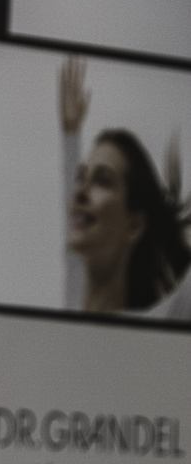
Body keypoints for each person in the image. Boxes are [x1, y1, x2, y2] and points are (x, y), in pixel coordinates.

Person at [60, 56, 191, 321]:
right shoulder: (73, 299)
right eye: (82, 177)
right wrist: (70, 133)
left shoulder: (159, 321)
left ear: (134, 226)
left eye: (103, 180)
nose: (81, 192)